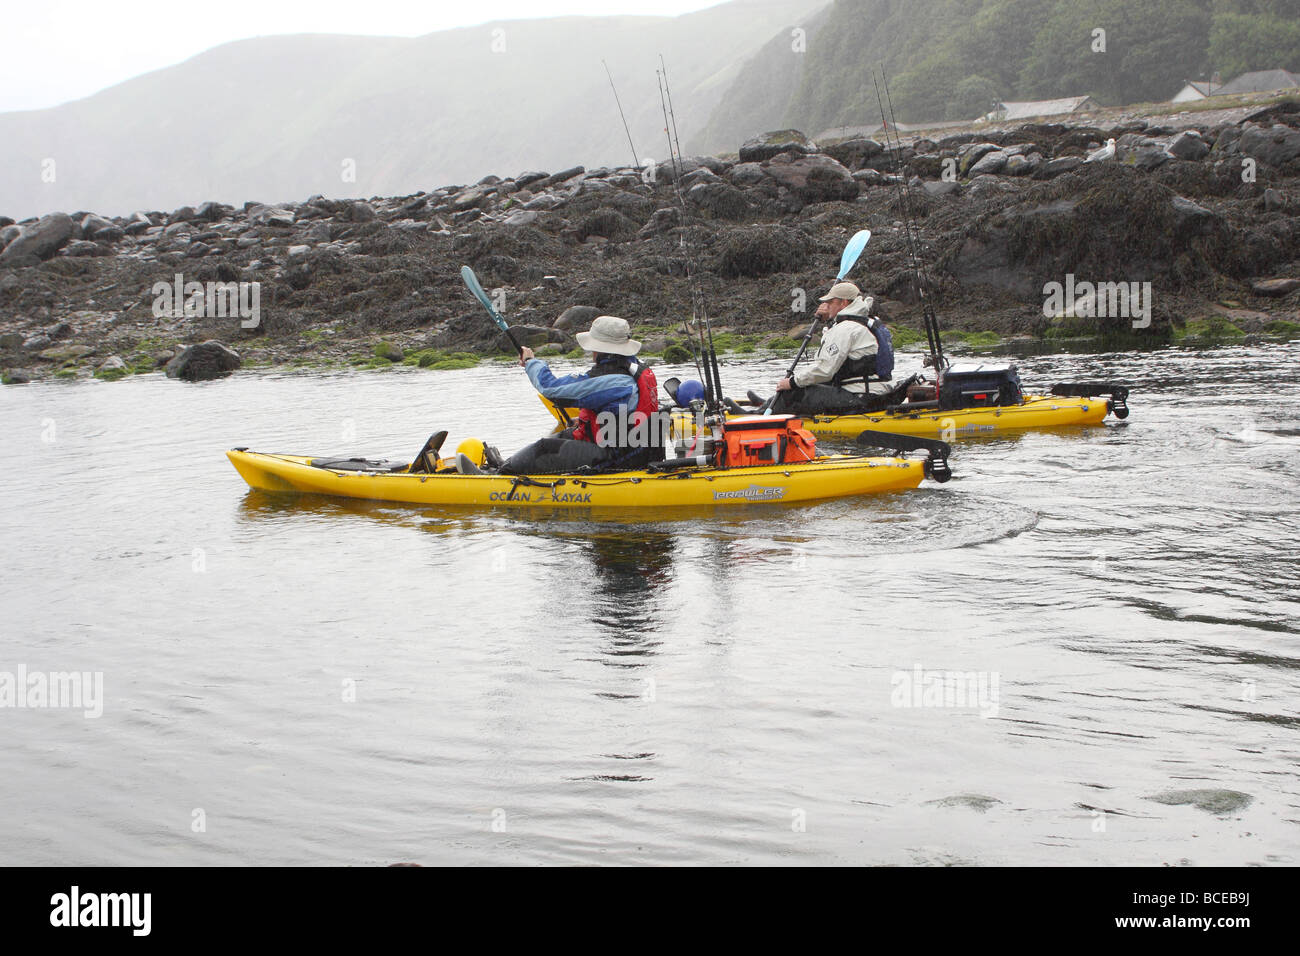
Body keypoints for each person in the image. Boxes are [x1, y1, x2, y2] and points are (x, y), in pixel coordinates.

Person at [464, 315, 662, 474]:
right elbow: (621, 412)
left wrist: (532, 363)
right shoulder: (630, 370)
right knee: (565, 434)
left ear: (599, 349)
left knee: (544, 448)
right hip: (635, 450)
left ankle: (496, 477)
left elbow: (551, 390)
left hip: (618, 457)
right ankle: (506, 465)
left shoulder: (612, 380)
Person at [770, 281, 908, 415]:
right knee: (809, 387)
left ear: (844, 303)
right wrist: (830, 320)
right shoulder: (868, 321)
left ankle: (764, 412)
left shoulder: (846, 328)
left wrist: (792, 382)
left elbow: (824, 370)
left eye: (831, 302)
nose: (826, 306)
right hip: (878, 393)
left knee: (796, 392)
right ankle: (769, 404)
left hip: (860, 398)